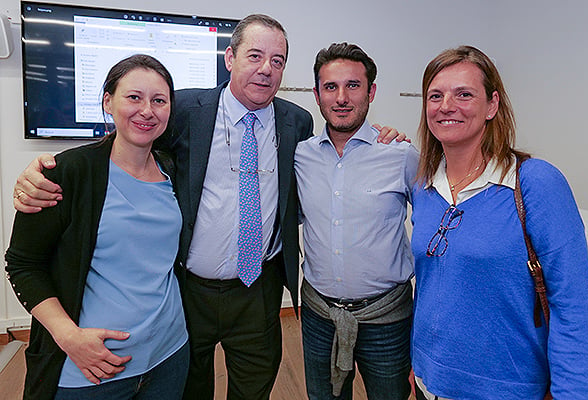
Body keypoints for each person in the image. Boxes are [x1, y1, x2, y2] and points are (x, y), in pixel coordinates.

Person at [11, 15, 403, 399]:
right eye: (254, 56)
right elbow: (129, 143)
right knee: (188, 386)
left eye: (277, 60)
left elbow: (336, 157)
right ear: (229, 58)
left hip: (259, 291)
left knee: (255, 387)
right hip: (188, 290)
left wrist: (384, 135)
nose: (266, 69)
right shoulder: (183, 110)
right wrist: (42, 170)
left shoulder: (295, 122)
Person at [410, 45, 588, 399]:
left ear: (492, 105)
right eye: (435, 95)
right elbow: (432, 288)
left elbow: (573, 309)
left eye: (464, 94)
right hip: (429, 384)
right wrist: (418, 365)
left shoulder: (535, 183)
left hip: (504, 389)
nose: (446, 105)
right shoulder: (424, 186)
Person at [5, 54, 189, 400]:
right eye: (134, 97)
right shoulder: (65, 173)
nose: (147, 110)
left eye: (159, 100)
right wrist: (69, 337)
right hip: (90, 369)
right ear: (108, 101)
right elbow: (22, 264)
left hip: (169, 355)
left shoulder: (172, 170)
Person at [295, 43, 418, 400]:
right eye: (330, 87)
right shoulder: (300, 156)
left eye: (353, 85)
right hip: (319, 316)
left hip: (387, 319)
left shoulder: (400, 155)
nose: (342, 97)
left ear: (371, 91)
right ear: (317, 94)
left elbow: (433, 226)